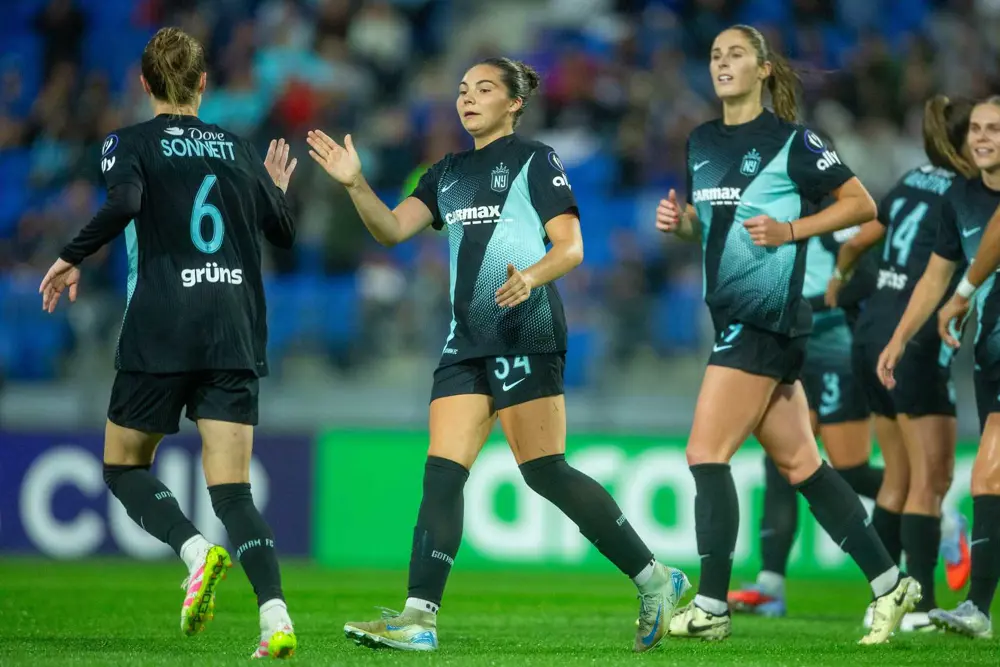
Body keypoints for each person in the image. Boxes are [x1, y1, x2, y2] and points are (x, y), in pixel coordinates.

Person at [306, 57, 689, 653]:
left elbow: (571, 247)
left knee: (544, 471)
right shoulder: (446, 171)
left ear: (514, 103)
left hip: (524, 328)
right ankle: (419, 618)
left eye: (484, 89)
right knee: (441, 472)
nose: (469, 98)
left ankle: (656, 579)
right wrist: (356, 183)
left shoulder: (535, 160)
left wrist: (530, 277)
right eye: (462, 90)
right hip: (466, 338)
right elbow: (389, 230)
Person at [38, 27, 299, 659]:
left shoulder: (125, 142)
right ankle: (276, 619)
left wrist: (71, 255)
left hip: (161, 324)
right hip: (232, 326)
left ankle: (193, 550)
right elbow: (283, 234)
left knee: (123, 465)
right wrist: (275, 192)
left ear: (145, 84)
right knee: (233, 492)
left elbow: (126, 202)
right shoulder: (237, 148)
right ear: (204, 86)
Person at [654, 24, 919, 644]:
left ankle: (713, 607)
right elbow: (718, 232)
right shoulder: (700, 142)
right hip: (736, 315)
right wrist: (684, 225)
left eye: (736, 53)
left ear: (764, 69)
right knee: (804, 464)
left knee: (705, 453)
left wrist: (793, 232)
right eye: (716, 54)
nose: (722, 62)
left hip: (764, 319)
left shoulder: (793, 141)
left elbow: (862, 207)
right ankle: (891, 583)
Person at [826, 95, 978, 631]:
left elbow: (859, 240)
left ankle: (884, 596)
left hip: (871, 332)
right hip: (912, 336)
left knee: (896, 475)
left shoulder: (914, 178)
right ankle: (923, 602)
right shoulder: (970, 192)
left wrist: (839, 277)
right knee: (929, 479)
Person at [882, 96, 1000, 639]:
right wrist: (900, 338)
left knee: (988, 474)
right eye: (976, 128)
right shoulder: (959, 196)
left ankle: (978, 607)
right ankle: (977, 609)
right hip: (991, 355)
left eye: (995, 129)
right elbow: (935, 277)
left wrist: (965, 294)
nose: (982, 138)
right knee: (989, 476)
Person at [728, 221, 884, 618]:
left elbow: (867, 277)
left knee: (847, 470)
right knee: (781, 462)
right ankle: (771, 586)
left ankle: (935, 515)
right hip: (793, 346)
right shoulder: (775, 211)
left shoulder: (840, 215)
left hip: (836, 349)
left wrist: (804, 301)